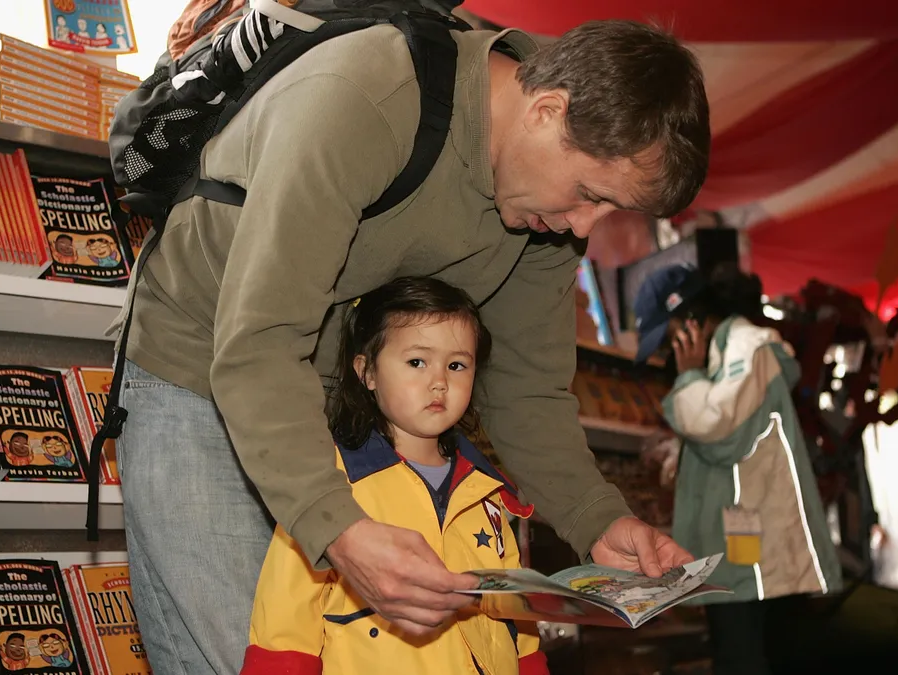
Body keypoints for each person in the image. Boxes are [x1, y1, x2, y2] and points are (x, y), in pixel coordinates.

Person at [115, 15, 709, 674]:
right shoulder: (366, 97)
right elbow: (261, 340)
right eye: (590, 194)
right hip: (197, 368)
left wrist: (598, 517)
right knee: (239, 658)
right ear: (546, 110)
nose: (583, 225)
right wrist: (338, 526)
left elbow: (525, 388)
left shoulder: (546, 213)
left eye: (608, 210)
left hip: (338, 409)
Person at [242, 277, 547, 675]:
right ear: (367, 372)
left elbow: (516, 621)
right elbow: (285, 621)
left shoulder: (487, 491)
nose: (439, 381)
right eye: (417, 362)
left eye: (457, 365)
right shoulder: (326, 484)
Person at [633, 264, 842, 675]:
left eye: (668, 334)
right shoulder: (726, 352)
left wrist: (690, 375)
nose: (666, 350)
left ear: (690, 321)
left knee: (745, 658)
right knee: (746, 654)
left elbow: (719, 430)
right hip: (744, 540)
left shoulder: (746, 346)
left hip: (753, 548)